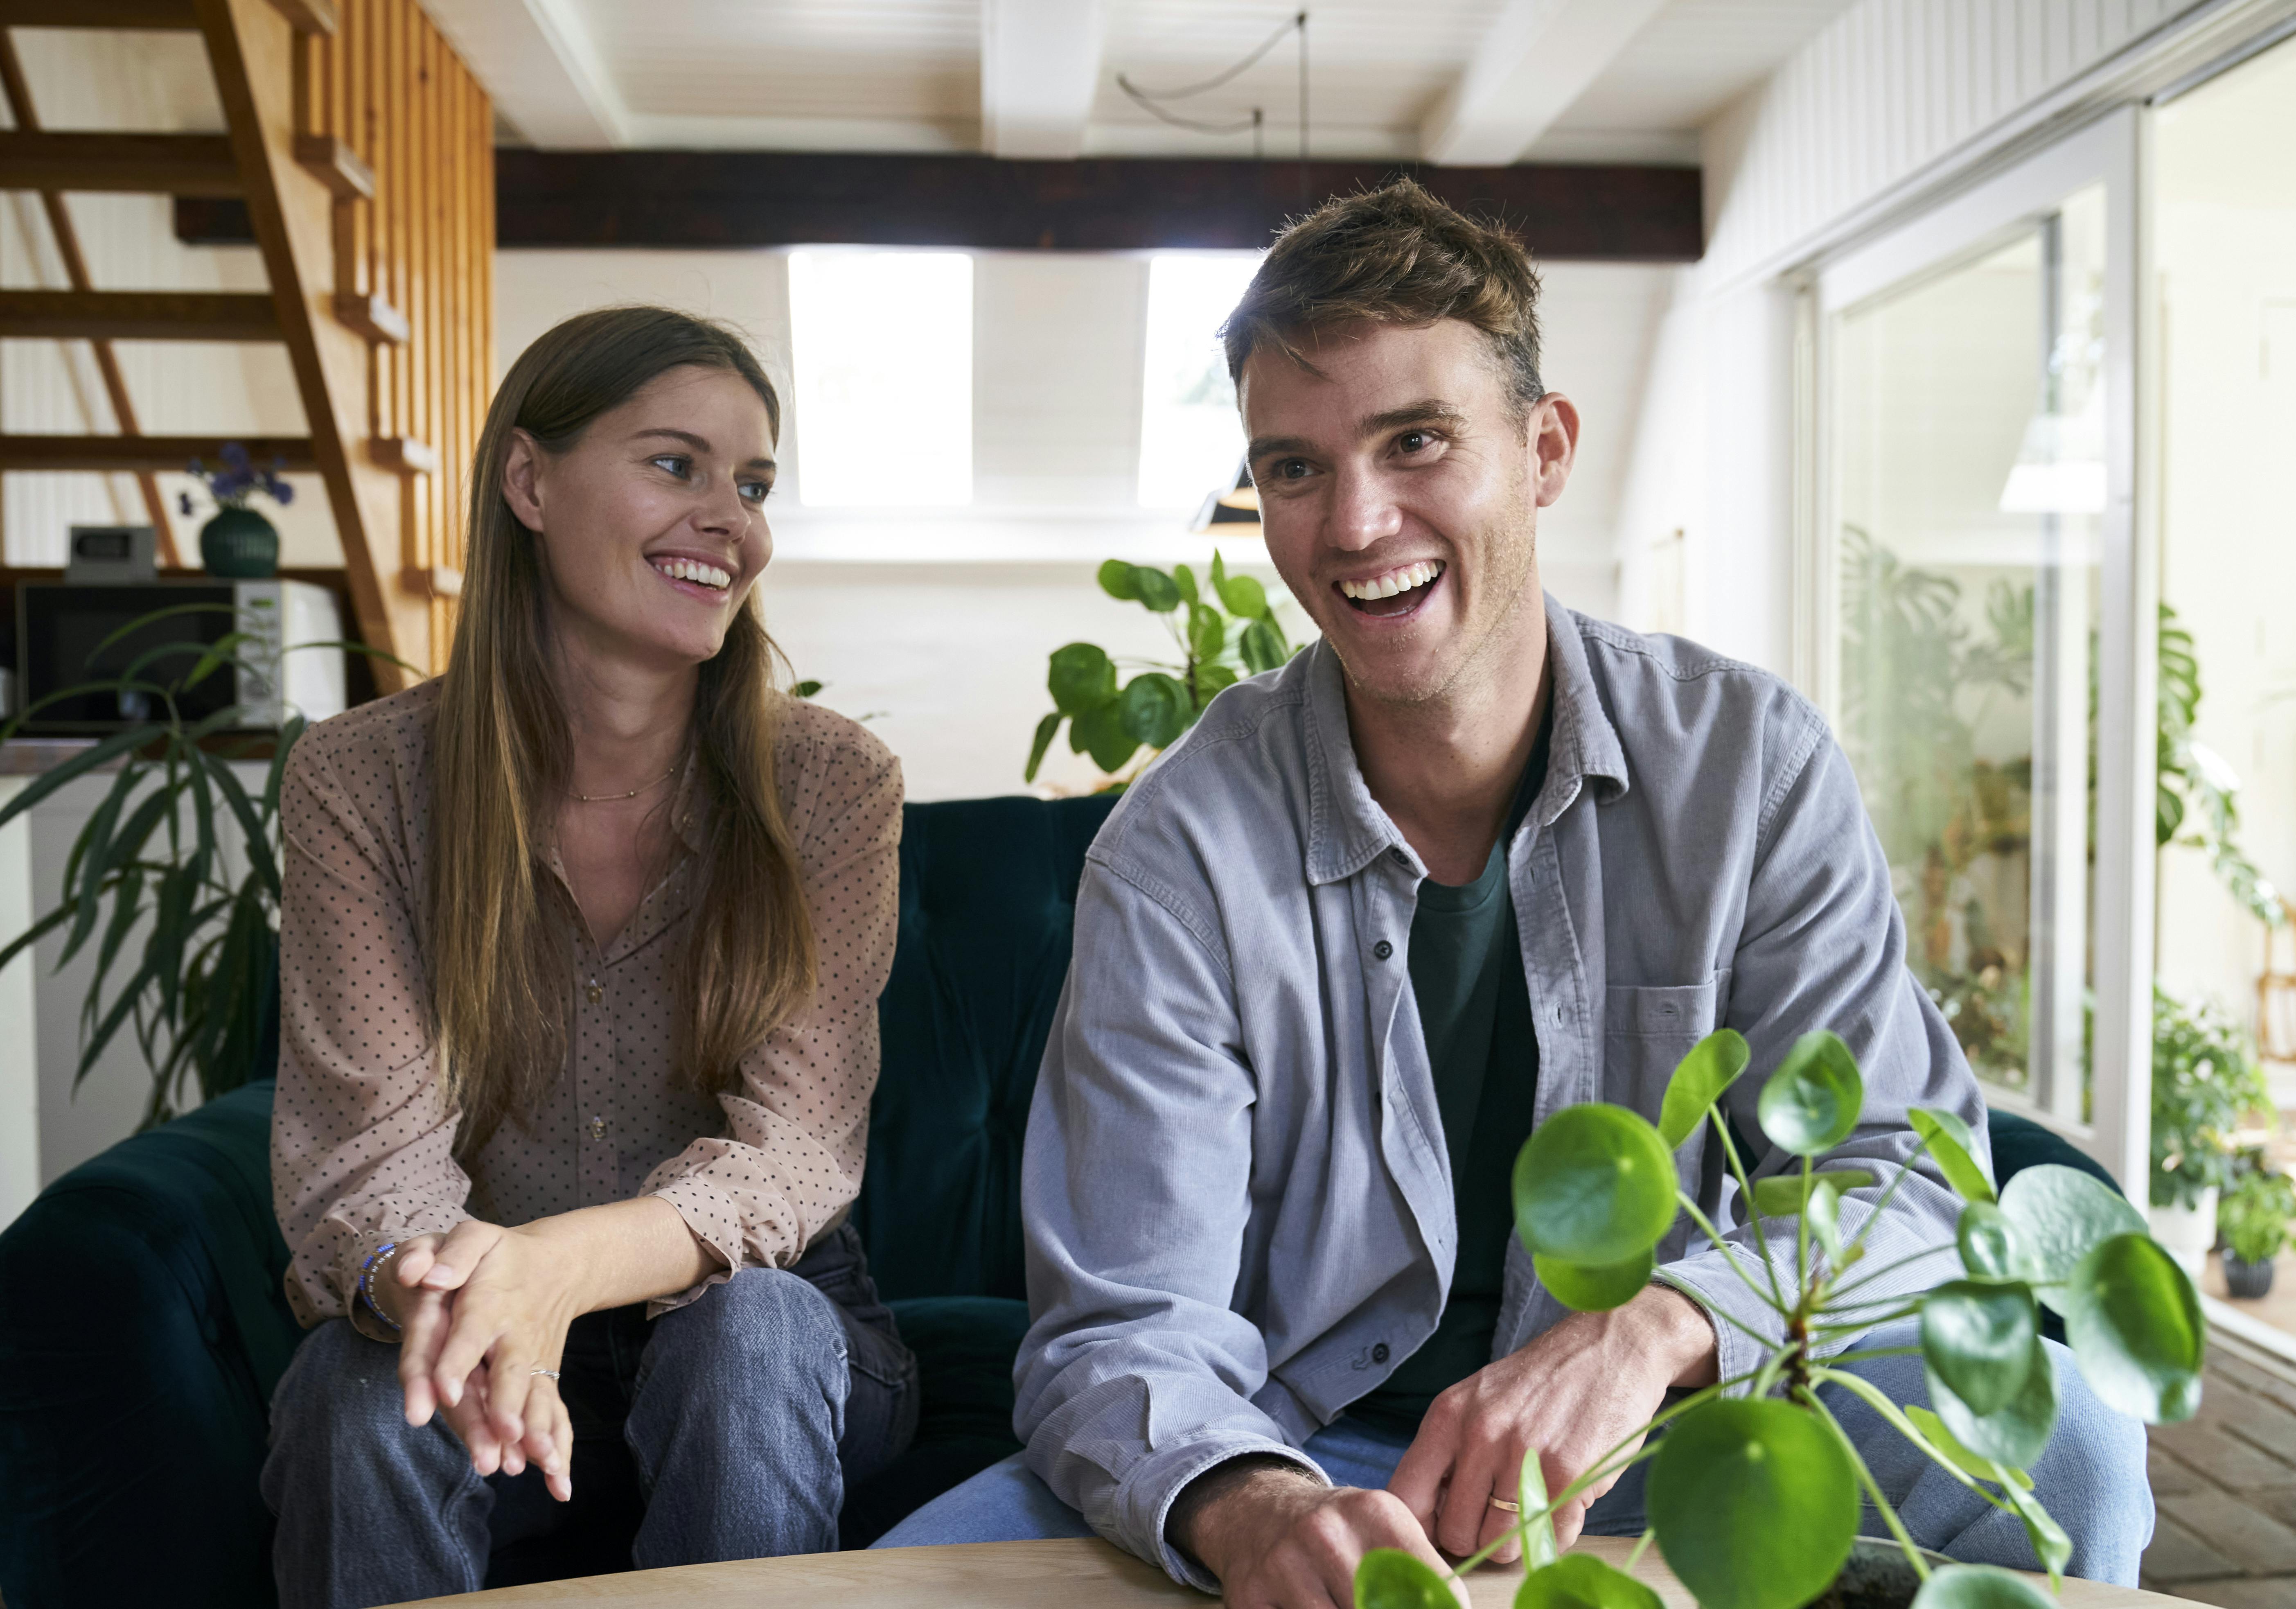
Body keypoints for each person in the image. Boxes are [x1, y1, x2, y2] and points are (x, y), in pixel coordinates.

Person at [873, 181, 2151, 1602]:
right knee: (911, 1574)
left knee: (2076, 1449)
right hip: (1306, 1447)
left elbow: (1897, 1178)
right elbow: (1125, 1322)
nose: (1354, 524)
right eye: (1292, 467)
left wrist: (1656, 1327)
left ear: (1543, 451)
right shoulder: (1175, 849)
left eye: (1413, 441)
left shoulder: (1751, 767)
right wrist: (1248, 1505)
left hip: (1684, 1424)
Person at [261, 306, 915, 1609]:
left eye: (753, 482)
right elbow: (368, 1160)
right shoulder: (361, 780)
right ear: (528, 482)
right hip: (464, 1306)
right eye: (676, 464)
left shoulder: (831, 782)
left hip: (762, 1335)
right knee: (357, 1390)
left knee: (753, 1335)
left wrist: (555, 1265)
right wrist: (463, 1303)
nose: (733, 520)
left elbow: (794, 1151)